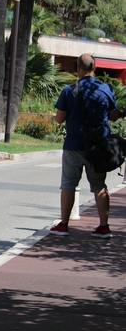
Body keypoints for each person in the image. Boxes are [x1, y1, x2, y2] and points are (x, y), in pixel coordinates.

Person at [50, 53, 119, 238]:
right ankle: (104, 227)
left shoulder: (68, 90)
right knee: (99, 185)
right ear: (94, 68)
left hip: (73, 145)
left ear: (78, 68)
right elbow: (113, 116)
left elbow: (59, 119)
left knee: (68, 184)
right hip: (98, 146)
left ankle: (64, 225)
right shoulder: (106, 89)